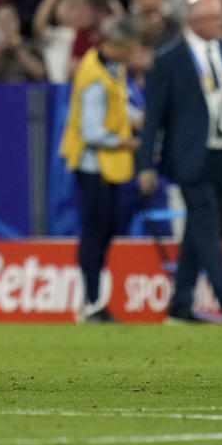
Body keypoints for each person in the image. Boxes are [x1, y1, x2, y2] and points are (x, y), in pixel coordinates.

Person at [137, 0, 222, 324]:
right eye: (215, 18)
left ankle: (180, 307)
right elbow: (153, 116)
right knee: (206, 221)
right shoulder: (169, 60)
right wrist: (144, 165)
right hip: (188, 155)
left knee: (199, 226)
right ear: (195, 22)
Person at [59, 17, 142, 322]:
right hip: (93, 166)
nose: (133, 55)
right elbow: (91, 131)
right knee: (95, 233)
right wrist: (126, 142)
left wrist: (136, 117)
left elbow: (117, 106)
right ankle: (91, 303)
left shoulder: (112, 69)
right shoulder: (93, 76)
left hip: (106, 167)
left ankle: (93, 301)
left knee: (104, 231)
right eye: (130, 48)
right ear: (116, 45)